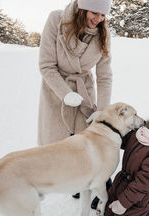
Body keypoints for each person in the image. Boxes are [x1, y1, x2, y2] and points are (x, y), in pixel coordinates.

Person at [38, 0, 112, 146]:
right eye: (94, 13)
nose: (99, 19)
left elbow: (105, 76)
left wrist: (102, 111)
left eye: (103, 14)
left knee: (83, 147)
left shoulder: (103, 34)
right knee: (54, 148)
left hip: (84, 93)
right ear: (82, 9)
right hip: (57, 91)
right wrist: (66, 94)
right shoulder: (56, 21)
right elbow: (47, 66)